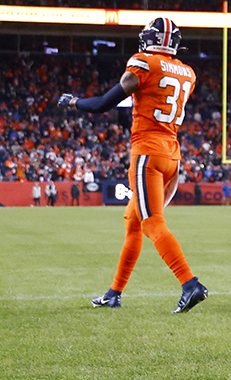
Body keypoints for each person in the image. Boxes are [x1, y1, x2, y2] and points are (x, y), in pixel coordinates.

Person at [59, 17, 207, 314]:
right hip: (172, 156)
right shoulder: (188, 73)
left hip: (148, 153)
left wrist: (73, 102)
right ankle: (114, 293)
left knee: (152, 223)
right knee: (133, 222)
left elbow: (103, 104)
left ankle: (190, 284)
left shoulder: (143, 62)